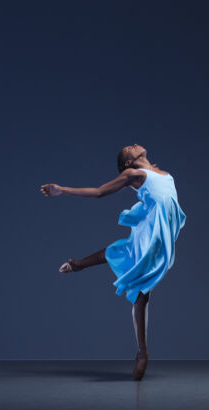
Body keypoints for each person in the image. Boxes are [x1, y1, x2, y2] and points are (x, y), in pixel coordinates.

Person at [40, 144, 186, 380]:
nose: (134, 145)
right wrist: (63, 190)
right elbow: (99, 192)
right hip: (152, 234)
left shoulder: (161, 173)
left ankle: (79, 264)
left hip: (158, 228)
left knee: (125, 257)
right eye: (129, 148)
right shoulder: (134, 175)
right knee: (140, 290)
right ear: (128, 163)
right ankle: (142, 352)